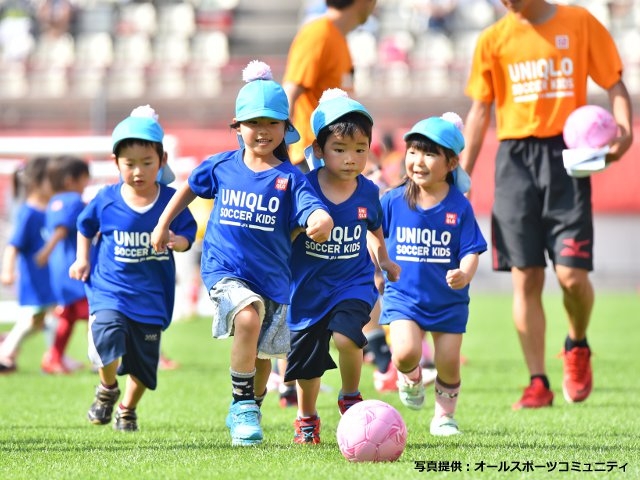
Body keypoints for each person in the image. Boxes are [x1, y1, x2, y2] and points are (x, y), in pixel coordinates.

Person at [461, 0, 634, 410]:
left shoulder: (578, 21)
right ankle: (537, 380)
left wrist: (623, 132)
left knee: (572, 276)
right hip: (514, 160)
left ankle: (577, 345)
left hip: (568, 157)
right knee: (526, 277)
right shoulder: (493, 39)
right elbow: (480, 109)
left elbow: (615, 83)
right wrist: (461, 178)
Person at [150, 60, 334, 447]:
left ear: (286, 128)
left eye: (272, 122)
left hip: (274, 280)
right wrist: (163, 223)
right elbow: (189, 188)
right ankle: (242, 406)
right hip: (225, 269)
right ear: (237, 127)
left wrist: (321, 220)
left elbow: (312, 209)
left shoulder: (290, 177)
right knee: (247, 318)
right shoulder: (221, 166)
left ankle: (250, 406)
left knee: (265, 357)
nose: (262, 131)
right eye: (253, 122)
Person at [69, 105, 197, 432]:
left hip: (152, 296)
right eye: (129, 164)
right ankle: (107, 388)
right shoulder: (106, 198)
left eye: (146, 163)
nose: (138, 171)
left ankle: (127, 408)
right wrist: (82, 259)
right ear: (116, 163)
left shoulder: (171, 200)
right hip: (109, 289)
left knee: (143, 365)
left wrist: (174, 240)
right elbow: (85, 227)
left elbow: (188, 235)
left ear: (162, 161)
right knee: (107, 334)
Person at [284, 89, 400, 444]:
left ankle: (350, 396)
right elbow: (284, 235)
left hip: (352, 282)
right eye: (340, 149)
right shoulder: (303, 188)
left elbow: (374, 228)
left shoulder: (368, 191)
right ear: (319, 150)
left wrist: (383, 260)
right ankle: (307, 418)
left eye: (360, 150)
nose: (351, 158)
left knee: (348, 337)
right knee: (308, 361)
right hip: (306, 289)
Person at [379, 113, 487, 436]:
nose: (418, 160)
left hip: (448, 301)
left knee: (449, 361)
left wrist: (465, 274)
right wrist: (379, 263)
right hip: (404, 298)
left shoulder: (459, 206)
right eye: (413, 151)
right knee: (405, 353)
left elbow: (471, 249)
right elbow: (373, 232)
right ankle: (410, 378)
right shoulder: (393, 200)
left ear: (451, 163)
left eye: (429, 153)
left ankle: (444, 416)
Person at [283, 0, 378, 170]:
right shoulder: (317, 34)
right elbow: (290, 92)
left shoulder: (337, 37)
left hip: (334, 157)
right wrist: (280, 149)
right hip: (311, 157)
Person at [0, 157, 56, 373]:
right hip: (33, 279)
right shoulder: (28, 213)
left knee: (41, 320)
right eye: (53, 180)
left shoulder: (48, 211)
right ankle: (6, 353)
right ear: (38, 183)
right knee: (32, 319)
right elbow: (13, 245)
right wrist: (7, 271)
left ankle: (54, 356)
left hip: (47, 278)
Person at [36, 155, 91, 374]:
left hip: (59, 269)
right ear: (71, 180)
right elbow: (62, 229)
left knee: (67, 316)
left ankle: (54, 357)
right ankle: (100, 359)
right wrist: (46, 251)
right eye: (84, 179)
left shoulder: (52, 202)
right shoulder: (74, 201)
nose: (86, 184)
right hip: (76, 267)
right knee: (95, 314)